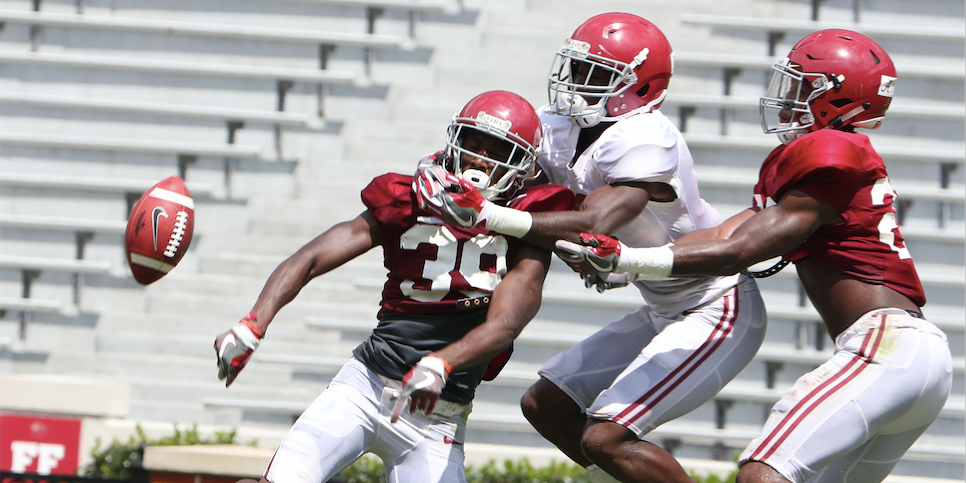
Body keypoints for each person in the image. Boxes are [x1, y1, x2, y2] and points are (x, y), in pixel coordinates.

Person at [556, 29, 953, 483]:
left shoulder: (832, 150)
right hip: (916, 356)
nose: (788, 98)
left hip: (884, 348)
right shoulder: (825, 170)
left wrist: (628, 259)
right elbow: (722, 233)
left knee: (761, 474)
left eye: (804, 86)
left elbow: (738, 251)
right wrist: (628, 262)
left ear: (843, 99)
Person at [414, 13, 767, 483]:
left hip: (715, 304)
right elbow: (508, 167)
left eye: (598, 75)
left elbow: (597, 221)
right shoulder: (560, 125)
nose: (579, 83)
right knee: (546, 405)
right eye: (578, 69)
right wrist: (436, 169)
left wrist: (488, 215)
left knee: (605, 436)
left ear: (642, 88)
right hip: (662, 304)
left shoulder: (644, 136)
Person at [213, 90, 575, 483]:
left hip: (439, 416)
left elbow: (506, 323)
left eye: (497, 149)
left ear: (524, 164)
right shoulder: (409, 199)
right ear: (455, 139)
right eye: (473, 143)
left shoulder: (530, 223)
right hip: (363, 388)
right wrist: (253, 322)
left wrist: (442, 361)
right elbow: (312, 257)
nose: (478, 160)